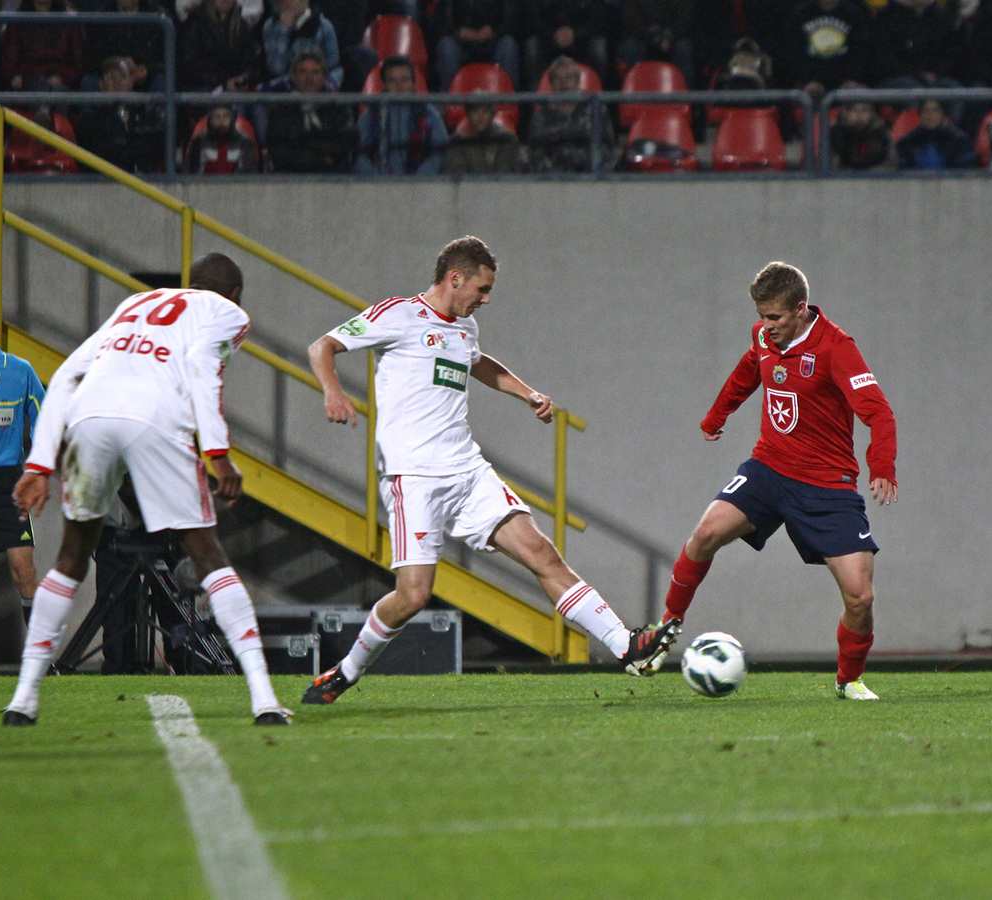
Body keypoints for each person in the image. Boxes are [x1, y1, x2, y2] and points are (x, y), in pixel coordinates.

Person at [303, 236, 678, 704]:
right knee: (413, 596)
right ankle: (345, 672)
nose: (486, 299)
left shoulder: (466, 328)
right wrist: (333, 391)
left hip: (466, 470)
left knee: (541, 553)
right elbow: (322, 347)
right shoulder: (397, 314)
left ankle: (626, 646)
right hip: (413, 476)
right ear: (454, 278)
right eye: (482, 289)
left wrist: (527, 394)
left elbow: (478, 364)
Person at [2, 254, 293, 727]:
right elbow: (201, 363)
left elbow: (70, 371)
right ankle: (264, 699)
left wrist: (39, 464)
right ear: (235, 294)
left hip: (90, 419)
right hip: (156, 419)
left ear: (190, 283)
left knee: (72, 556)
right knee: (208, 555)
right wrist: (217, 451)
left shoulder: (137, 303)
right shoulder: (228, 312)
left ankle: (23, 699)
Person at [641, 262, 897, 700]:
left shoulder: (836, 348)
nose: (766, 326)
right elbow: (747, 372)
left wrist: (882, 467)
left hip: (826, 484)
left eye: (774, 317)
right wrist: (716, 416)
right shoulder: (763, 338)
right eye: (761, 316)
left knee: (861, 598)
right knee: (705, 535)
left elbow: (879, 412)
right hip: (769, 469)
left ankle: (848, 680)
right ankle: (665, 627)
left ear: (800, 309)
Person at [0, 308, 45, 625]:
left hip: (7, 483)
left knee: (24, 570)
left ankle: (38, 650)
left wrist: (39, 468)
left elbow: (44, 418)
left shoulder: (20, 371)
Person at [260, 49, 357, 173]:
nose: (309, 78)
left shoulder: (338, 105)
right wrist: (320, 159)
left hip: (334, 177)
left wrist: (304, 142)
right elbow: (280, 152)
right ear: (294, 77)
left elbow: (345, 142)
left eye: (315, 72)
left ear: (324, 77)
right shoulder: (280, 108)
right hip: (291, 177)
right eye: (303, 72)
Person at [354, 54, 449, 174]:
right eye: (392, 80)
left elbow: (440, 152)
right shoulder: (370, 114)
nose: (399, 85)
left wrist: (420, 178)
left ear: (413, 82)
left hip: (420, 182)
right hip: (378, 182)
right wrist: (375, 179)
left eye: (404, 80)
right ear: (385, 84)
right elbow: (360, 154)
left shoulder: (429, 114)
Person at [895, 98, 974, 169]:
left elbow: (966, 172)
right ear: (920, 114)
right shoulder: (906, 142)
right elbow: (901, 171)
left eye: (935, 110)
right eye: (925, 110)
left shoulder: (959, 140)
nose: (930, 115)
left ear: (943, 114)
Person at [446, 100, 520, 173]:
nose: (480, 117)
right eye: (475, 112)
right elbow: (458, 174)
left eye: (485, 111)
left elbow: (506, 172)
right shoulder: (457, 141)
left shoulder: (507, 139)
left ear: (492, 114)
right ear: (468, 115)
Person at [184, 104, 260, 173]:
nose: (221, 121)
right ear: (210, 120)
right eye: (217, 116)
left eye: (226, 116)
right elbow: (192, 174)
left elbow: (248, 175)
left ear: (232, 119)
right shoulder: (198, 142)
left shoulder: (246, 143)